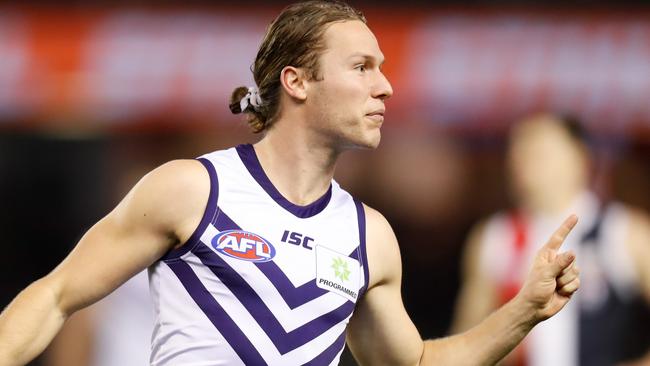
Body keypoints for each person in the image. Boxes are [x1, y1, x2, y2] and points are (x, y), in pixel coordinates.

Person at [0, 2, 581, 365]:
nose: (386, 88)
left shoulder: (368, 236)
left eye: (383, 67)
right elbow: (55, 297)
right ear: (297, 81)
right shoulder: (193, 190)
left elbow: (417, 364)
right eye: (361, 67)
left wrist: (523, 312)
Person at [451, 114, 650, 366]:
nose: (524, 161)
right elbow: (464, 341)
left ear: (580, 158)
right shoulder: (495, 237)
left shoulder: (624, 233)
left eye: (540, 150)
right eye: (518, 151)